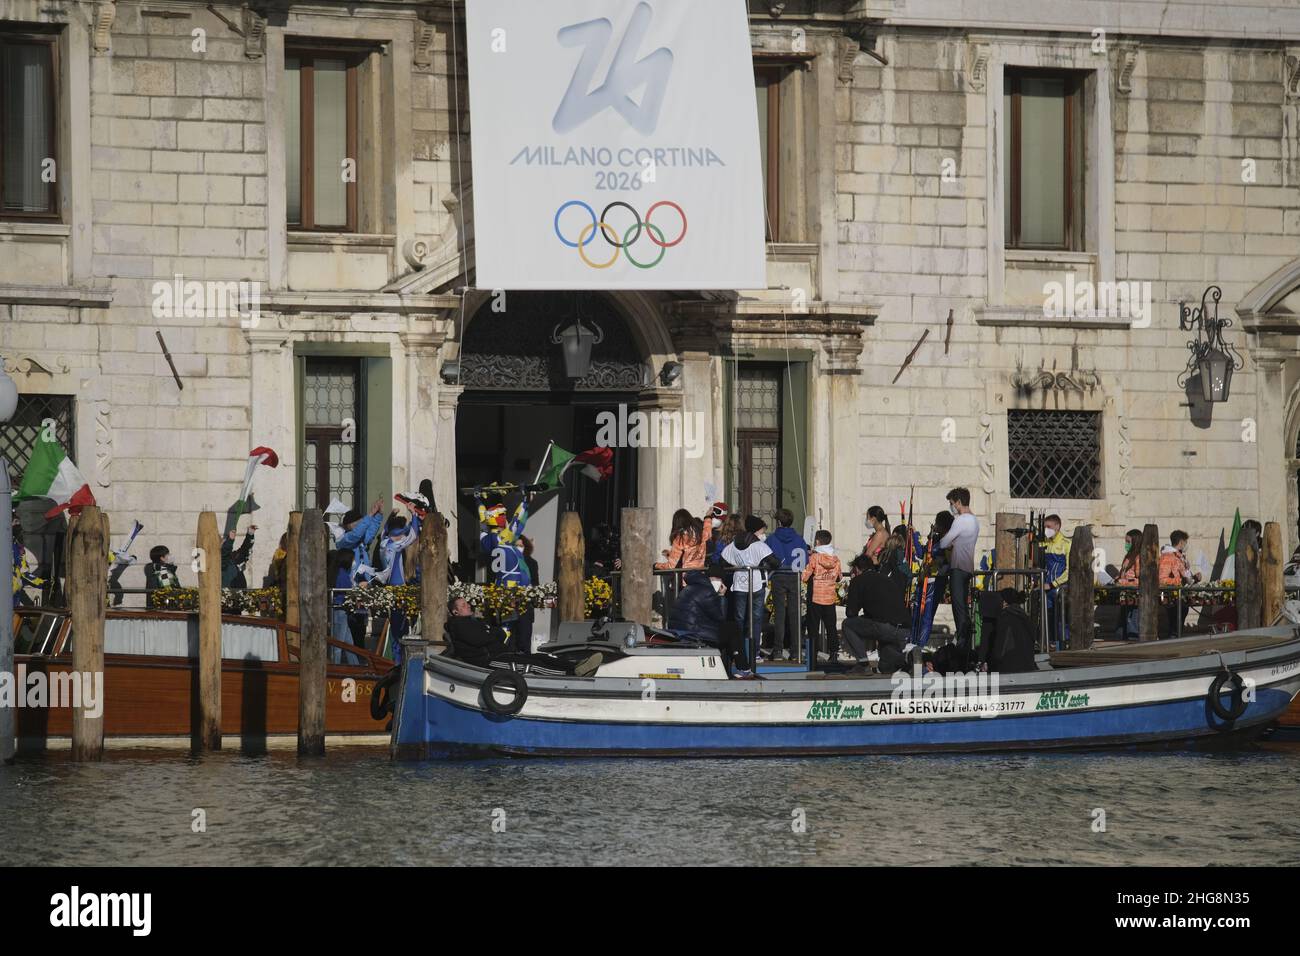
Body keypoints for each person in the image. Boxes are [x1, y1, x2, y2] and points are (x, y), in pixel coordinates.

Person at [446, 597, 601, 677]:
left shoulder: (476, 621)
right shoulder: (459, 625)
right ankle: (572, 674)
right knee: (532, 666)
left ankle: (576, 665)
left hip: (502, 653)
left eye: (467, 603)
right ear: (455, 612)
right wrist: (490, 633)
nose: (468, 606)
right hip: (490, 661)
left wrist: (489, 633)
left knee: (540, 657)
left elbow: (499, 634)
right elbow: (479, 639)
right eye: (463, 605)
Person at [720, 515, 779, 679]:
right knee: (756, 619)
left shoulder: (734, 544)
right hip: (756, 584)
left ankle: (738, 652)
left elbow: (722, 559)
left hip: (739, 584)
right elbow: (776, 562)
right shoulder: (759, 546)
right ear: (756, 530)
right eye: (762, 531)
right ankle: (754, 653)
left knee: (739, 620)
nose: (763, 534)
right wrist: (764, 568)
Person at [841, 555, 914, 674]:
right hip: (904, 629)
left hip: (885, 628)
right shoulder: (886, 579)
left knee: (847, 625)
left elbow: (851, 613)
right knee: (885, 667)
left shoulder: (858, 580)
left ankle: (863, 664)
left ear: (857, 569)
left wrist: (853, 590)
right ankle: (907, 659)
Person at [765, 508, 809, 660]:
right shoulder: (799, 539)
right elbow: (805, 560)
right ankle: (796, 650)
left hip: (778, 576)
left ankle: (778, 650)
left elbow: (765, 557)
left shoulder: (771, 539)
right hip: (794, 576)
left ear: (778, 522)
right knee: (795, 614)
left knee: (779, 614)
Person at [938, 487, 978, 650]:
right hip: (968, 567)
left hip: (958, 567)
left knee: (959, 608)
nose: (951, 506)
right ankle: (966, 640)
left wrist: (948, 543)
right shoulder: (974, 520)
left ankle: (963, 643)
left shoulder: (961, 520)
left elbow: (944, 542)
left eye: (952, 503)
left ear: (959, 502)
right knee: (963, 607)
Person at [802, 530, 842, 663]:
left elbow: (805, 576)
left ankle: (813, 653)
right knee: (831, 627)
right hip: (829, 597)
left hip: (816, 596)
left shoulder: (815, 557)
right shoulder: (836, 559)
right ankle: (834, 653)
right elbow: (839, 577)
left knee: (813, 626)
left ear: (817, 542)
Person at [666, 569, 728, 648]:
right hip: (692, 632)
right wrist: (722, 596)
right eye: (714, 579)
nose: (716, 581)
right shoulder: (707, 591)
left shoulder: (689, 588)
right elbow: (720, 617)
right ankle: (740, 659)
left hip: (678, 629)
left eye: (718, 579)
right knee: (733, 631)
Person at [1159, 530, 1200, 638]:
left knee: (1179, 624)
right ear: (1181, 542)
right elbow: (1162, 579)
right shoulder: (1168, 557)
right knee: (1175, 626)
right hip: (1173, 598)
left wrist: (1194, 578)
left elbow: (1183, 576)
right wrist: (1181, 582)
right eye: (1185, 542)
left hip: (1181, 596)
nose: (1186, 545)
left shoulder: (1179, 556)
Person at [988, 588, 1036, 673]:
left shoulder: (1005, 617)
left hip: (1011, 670)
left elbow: (1000, 649)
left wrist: (990, 663)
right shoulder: (1024, 616)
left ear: (1004, 602)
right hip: (1028, 666)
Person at [1041, 514, 1069, 650]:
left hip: (1059, 588)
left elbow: (1069, 571)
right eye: (1045, 527)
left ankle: (1064, 644)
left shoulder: (1066, 544)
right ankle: (1049, 643)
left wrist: (1053, 584)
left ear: (1057, 527)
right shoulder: (1044, 543)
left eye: (1049, 527)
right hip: (1046, 587)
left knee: (1061, 618)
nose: (1046, 530)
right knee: (1048, 617)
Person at [1115, 528, 1143, 640]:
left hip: (1134, 595)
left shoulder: (1139, 557)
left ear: (1135, 542)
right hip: (1125, 594)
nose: (1126, 544)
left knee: (1132, 623)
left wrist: (1123, 582)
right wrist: (1117, 578)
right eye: (1125, 541)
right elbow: (1125, 574)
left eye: (1128, 542)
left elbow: (1140, 579)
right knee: (1123, 624)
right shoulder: (1128, 556)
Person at [220, 523, 256, 588]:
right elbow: (224, 553)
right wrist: (230, 540)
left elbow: (245, 550)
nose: (224, 541)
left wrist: (250, 534)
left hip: (241, 592)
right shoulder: (220, 561)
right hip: (228, 594)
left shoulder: (234, 557)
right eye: (223, 542)